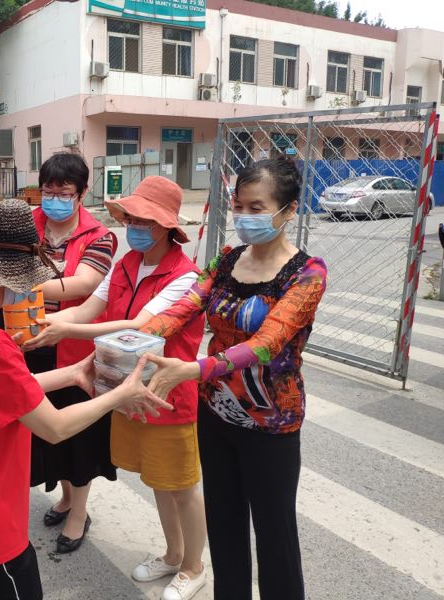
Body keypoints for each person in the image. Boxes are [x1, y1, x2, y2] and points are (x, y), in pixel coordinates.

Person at [0, 199, 171, 600]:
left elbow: (2, 392)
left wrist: (73, 373)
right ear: (11, 277)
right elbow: (55, 426)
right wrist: (121, 393)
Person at [141, 157, 328, 600]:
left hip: (271, 424)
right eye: (239, 206)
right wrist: (133, 339)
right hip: (216, 413)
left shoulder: (307, 273)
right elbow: (184, 308)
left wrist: (193, 369)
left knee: (275, 534)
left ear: (289, 210)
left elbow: (266, 343)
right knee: (224, 524)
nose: (244, 217)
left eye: (256, 208)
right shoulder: (226, 260)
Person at [23, 176, 208, 600]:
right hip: (126, 389)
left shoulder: (185, 277)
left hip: (166, 394)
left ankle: (194, 567)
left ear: (166, 226)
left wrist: (69, 329)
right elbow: (88, 308)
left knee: (182, 486)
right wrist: (48, 323)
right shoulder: (127, 264)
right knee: (159, 481)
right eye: (131, 218)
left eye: (144, 220)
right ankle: (173, 554)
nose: (133, 226)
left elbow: (140, 325)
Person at [23, 152, 118, 553]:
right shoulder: (26, 223)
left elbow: (84, 284)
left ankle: (79, 512)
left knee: (78, 436)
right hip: (26, 342)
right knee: (47, 433)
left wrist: (19, 282)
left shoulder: (100, 235)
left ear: (82, 193)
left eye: (64, 193)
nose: (55, 199)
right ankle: (64, 498)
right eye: (48, 191)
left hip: (73, 349)